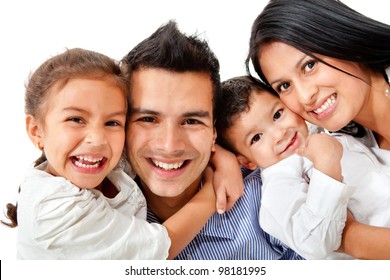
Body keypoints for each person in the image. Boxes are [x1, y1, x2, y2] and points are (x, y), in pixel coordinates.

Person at [2, 48, 217, 260]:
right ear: (36, 130)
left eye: (112, 122)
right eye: (76, 119)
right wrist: (212, 193)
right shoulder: (52, 211)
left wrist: (221, 158)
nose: (97, 140)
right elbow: (161, 248)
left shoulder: (109, 163)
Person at [120, 20, 303, 260]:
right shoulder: (93, 212)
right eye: (148, 119)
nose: (169, 145)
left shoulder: (272, 199)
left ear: (214, 133)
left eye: (192, 121)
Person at [246, 0, 390, 259]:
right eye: (284, 86)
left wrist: (351, 237)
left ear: (344, 40)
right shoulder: (340, 138)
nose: (305, 96)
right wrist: (219, 166)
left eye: (309, 65)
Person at [215, 75, 390, 259]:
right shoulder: (278, 185)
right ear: (246, 161)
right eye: (256, 138)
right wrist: (326, 167)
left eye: (277, 115)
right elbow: (314, 242)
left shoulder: (324, 131)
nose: (279, 134)